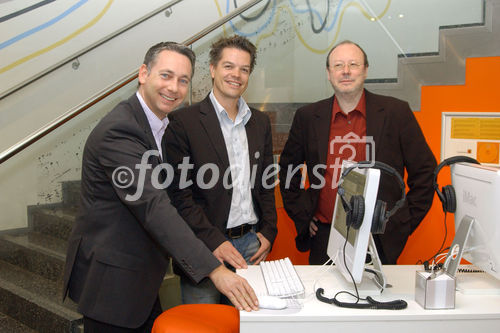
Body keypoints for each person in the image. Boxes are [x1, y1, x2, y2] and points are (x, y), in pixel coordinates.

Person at [62, 42, 259, 333]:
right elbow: (154, 208)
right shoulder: (120, 130)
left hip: (139, 278)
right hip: (113, 281)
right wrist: (215, 270)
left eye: (183, 80)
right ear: (143, 73)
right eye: (166, 75)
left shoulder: (157, 125)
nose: (174, 88)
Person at [279, 40, 437, 265]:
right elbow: (288, 171)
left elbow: (425, 173)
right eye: (338, 65)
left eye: (353, 64)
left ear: (365, 70)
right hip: (324, 236)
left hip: (378, 238)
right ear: (328, 73)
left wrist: (403, 222)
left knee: (374, 299)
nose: (345, 71)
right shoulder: (308, 117)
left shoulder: (396, 112)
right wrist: (302, 215)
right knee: (323, 298)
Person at [163, 35, 277, 304]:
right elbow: (180, 197)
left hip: (251, 244)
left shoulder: (260, 122)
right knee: (206, 325)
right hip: (205, 248)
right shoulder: (182, 123)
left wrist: (270, 231)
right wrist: (214, 241)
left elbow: (265, 183)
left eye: (244, 69)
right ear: (213, 69)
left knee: (248, 324)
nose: (236, 74)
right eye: (228, 66)